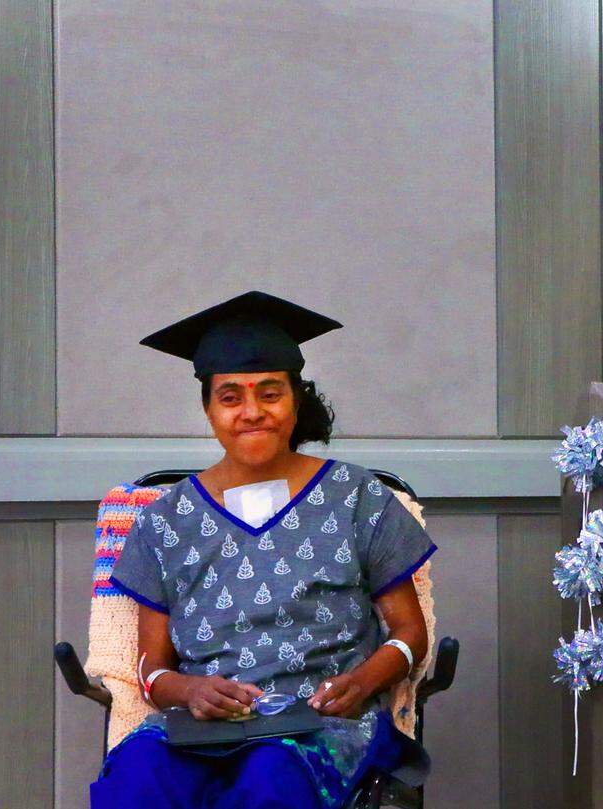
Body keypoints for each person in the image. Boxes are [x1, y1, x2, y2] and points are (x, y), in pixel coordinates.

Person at [91, 291, 437, 808]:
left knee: (268, 777)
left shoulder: (358, 498)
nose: (252, 412)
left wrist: (362, 681)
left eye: (269, 393)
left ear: (295, 401)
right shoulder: (163, 520)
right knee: (136, 775)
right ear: (208, 409)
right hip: (202, 727)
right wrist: (188, 692)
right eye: (231, 396)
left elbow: (411, 632)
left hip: (320, 724)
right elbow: (151, 668)